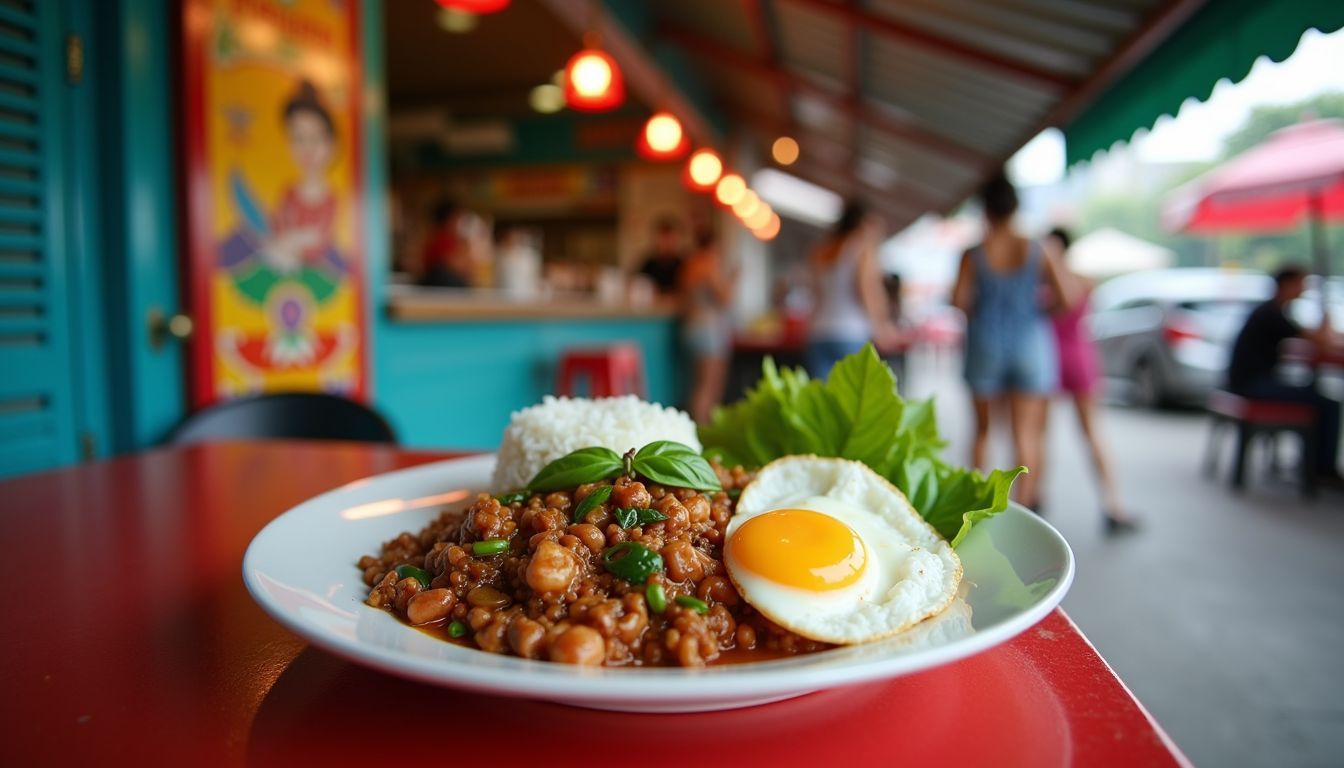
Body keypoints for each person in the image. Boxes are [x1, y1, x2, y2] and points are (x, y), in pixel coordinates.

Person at [952, 174, 1072, 512]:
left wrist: (984, 309)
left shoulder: (974, 254)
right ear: (1015, 206)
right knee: (1026, 433)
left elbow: (960, 302)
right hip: (1030, 344)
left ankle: (974, 509)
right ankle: (1023, 508)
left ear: (985, 210)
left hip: (985, 344)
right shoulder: (1038, 249)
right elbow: (1068, 297)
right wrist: (1036, 311)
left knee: (982, 432)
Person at [1043, 227, 1137, 532]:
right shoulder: (1083, 281)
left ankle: (1034, 500)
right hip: (1079, 358)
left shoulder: (1043, 285)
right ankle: (1113, 505)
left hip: (1051, 360)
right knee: (1091, 433)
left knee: (1038, 435)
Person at [1226, 265, 1342, 485]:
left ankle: (1313, 463)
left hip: (1248, 381)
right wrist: (1325, 323)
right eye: (1301, 283)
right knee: (1326, 404)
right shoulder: (1272, 313)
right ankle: (1322, 469)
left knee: (1315, 395)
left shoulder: (1272, 310)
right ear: (1287, 284)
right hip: (1253, 385)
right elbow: (1315, 339)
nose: (1304, 289)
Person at [805, 201, 902, 378]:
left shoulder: (821, 250)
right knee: (851, 400)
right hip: (851, 333)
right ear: (864, 222)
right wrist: (882, 327)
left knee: (822, 399)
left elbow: (816, 295)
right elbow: (867, 290)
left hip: (818, 333)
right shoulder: (861, 247)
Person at [679, 228, 735, 423]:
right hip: (707, 329)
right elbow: (724, 298)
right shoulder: (709, 263)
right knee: (709, 385)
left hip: (690, 327)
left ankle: (699, 429)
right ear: (714, 245)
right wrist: (734, 278)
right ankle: (704, 430)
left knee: (698, 384)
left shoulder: (689, 264)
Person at [419, 200, 472, 288]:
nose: (460, 223)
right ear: (450, 219)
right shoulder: (442, 238)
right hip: (440, 290)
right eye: (458, 218)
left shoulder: (443, 237)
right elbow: (458, 265)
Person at [637, 216, 686, 298]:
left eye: (669, 239)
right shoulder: (649, 265)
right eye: (663, 240)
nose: (666, 244)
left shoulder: (683, 265)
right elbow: (639, 287)